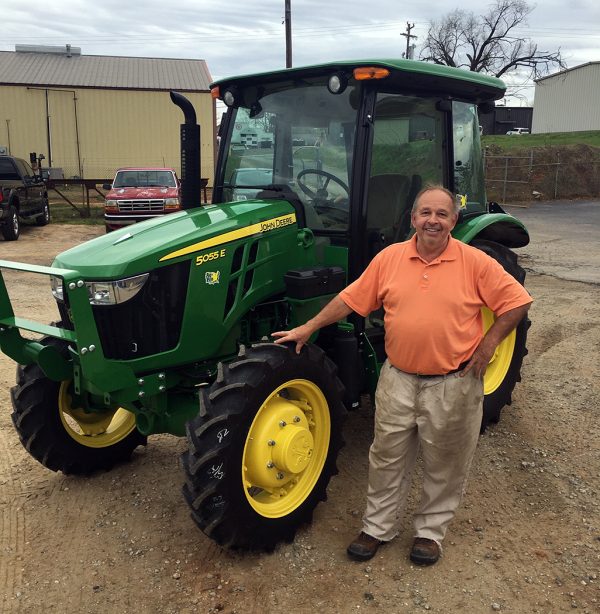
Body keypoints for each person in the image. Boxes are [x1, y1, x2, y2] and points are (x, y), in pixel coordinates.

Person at [272, 185, 532, 566]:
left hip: (453, 383)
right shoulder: (390, 258)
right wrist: (308, 327)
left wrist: (489, 344)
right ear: (413, 219)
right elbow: (350, 298)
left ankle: (430, 533)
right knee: (386, 458)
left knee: (446, 462)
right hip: (398, 379)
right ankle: (378, 527)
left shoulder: (475, 262)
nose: (432, 221)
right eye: (425, 213)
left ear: (453, 220)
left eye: (441, 214)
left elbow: (517, 302)